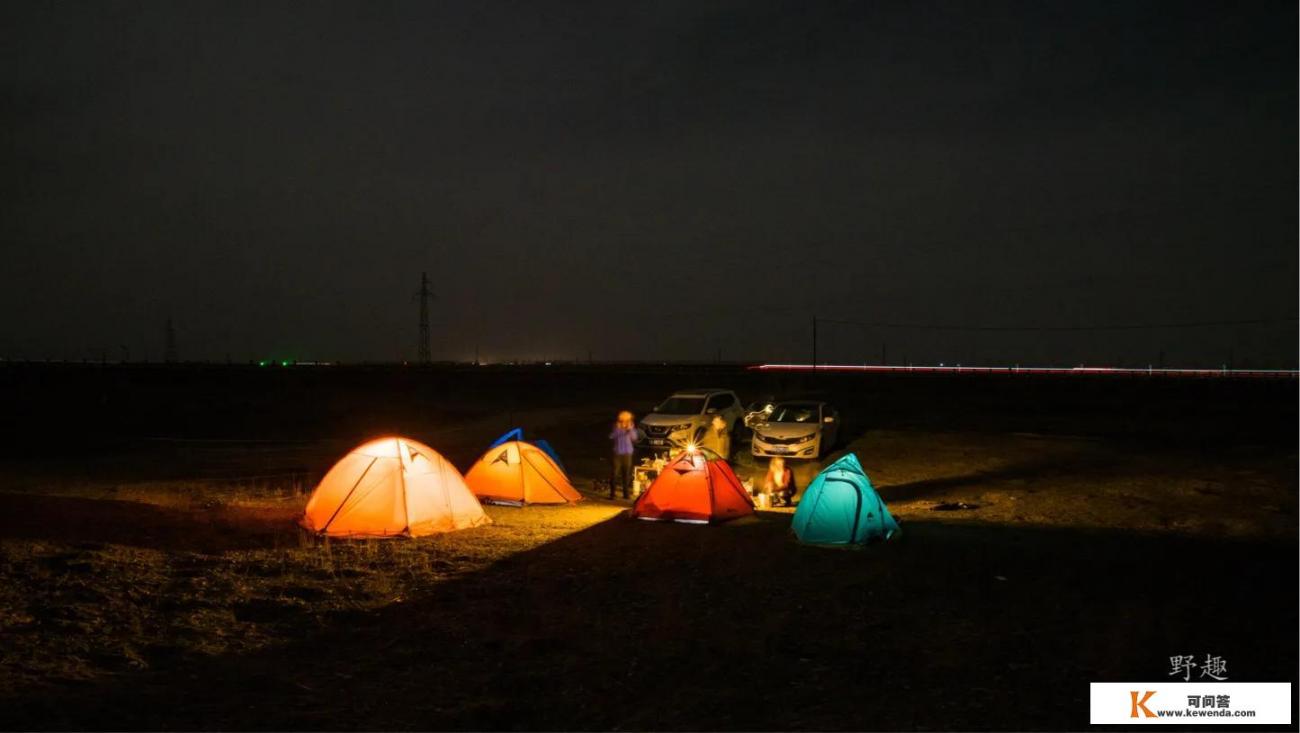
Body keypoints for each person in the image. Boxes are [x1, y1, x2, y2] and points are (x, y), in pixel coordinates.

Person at [608, 410, 642, 500]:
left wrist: (630, 429)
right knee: (614, 474)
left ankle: (626, 494)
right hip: (617, 453)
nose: (625, 422)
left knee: (626, 474)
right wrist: (619, 430)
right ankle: (612, 494)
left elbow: (634, 438)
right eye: (623, 419)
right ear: (620, 419)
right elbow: (611, 436)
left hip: (627, 453)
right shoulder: (616, 426)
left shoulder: (630, 427)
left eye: (627, 419)